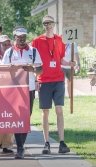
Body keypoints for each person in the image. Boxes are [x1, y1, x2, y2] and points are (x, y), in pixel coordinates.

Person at [32, 15, 76, 154]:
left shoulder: (60, 40)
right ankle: (46, 143)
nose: (48, 25)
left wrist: (69, 63)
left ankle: (62, 142)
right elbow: (34, 62)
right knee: (45, 112)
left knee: (59, 110)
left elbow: (60, 58)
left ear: (54, 24)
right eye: (45, 23)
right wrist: (35, 78)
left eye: (50, 23)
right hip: (44, 81)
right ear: (43, 25)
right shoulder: (37, 41)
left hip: (58, 80)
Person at [1, 27, 43, 159]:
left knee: (26, 118)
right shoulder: (9, 52)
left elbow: (40, 69)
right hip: (14, 90)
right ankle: (20, 147)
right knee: (16, 118)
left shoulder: (33, 51)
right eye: (19, 37)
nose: (22, 39)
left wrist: (32, 69)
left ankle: (21, 145)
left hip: (29, 89)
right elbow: (3, 71)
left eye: (24, 36)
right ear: (15, 37)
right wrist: (10, 70)